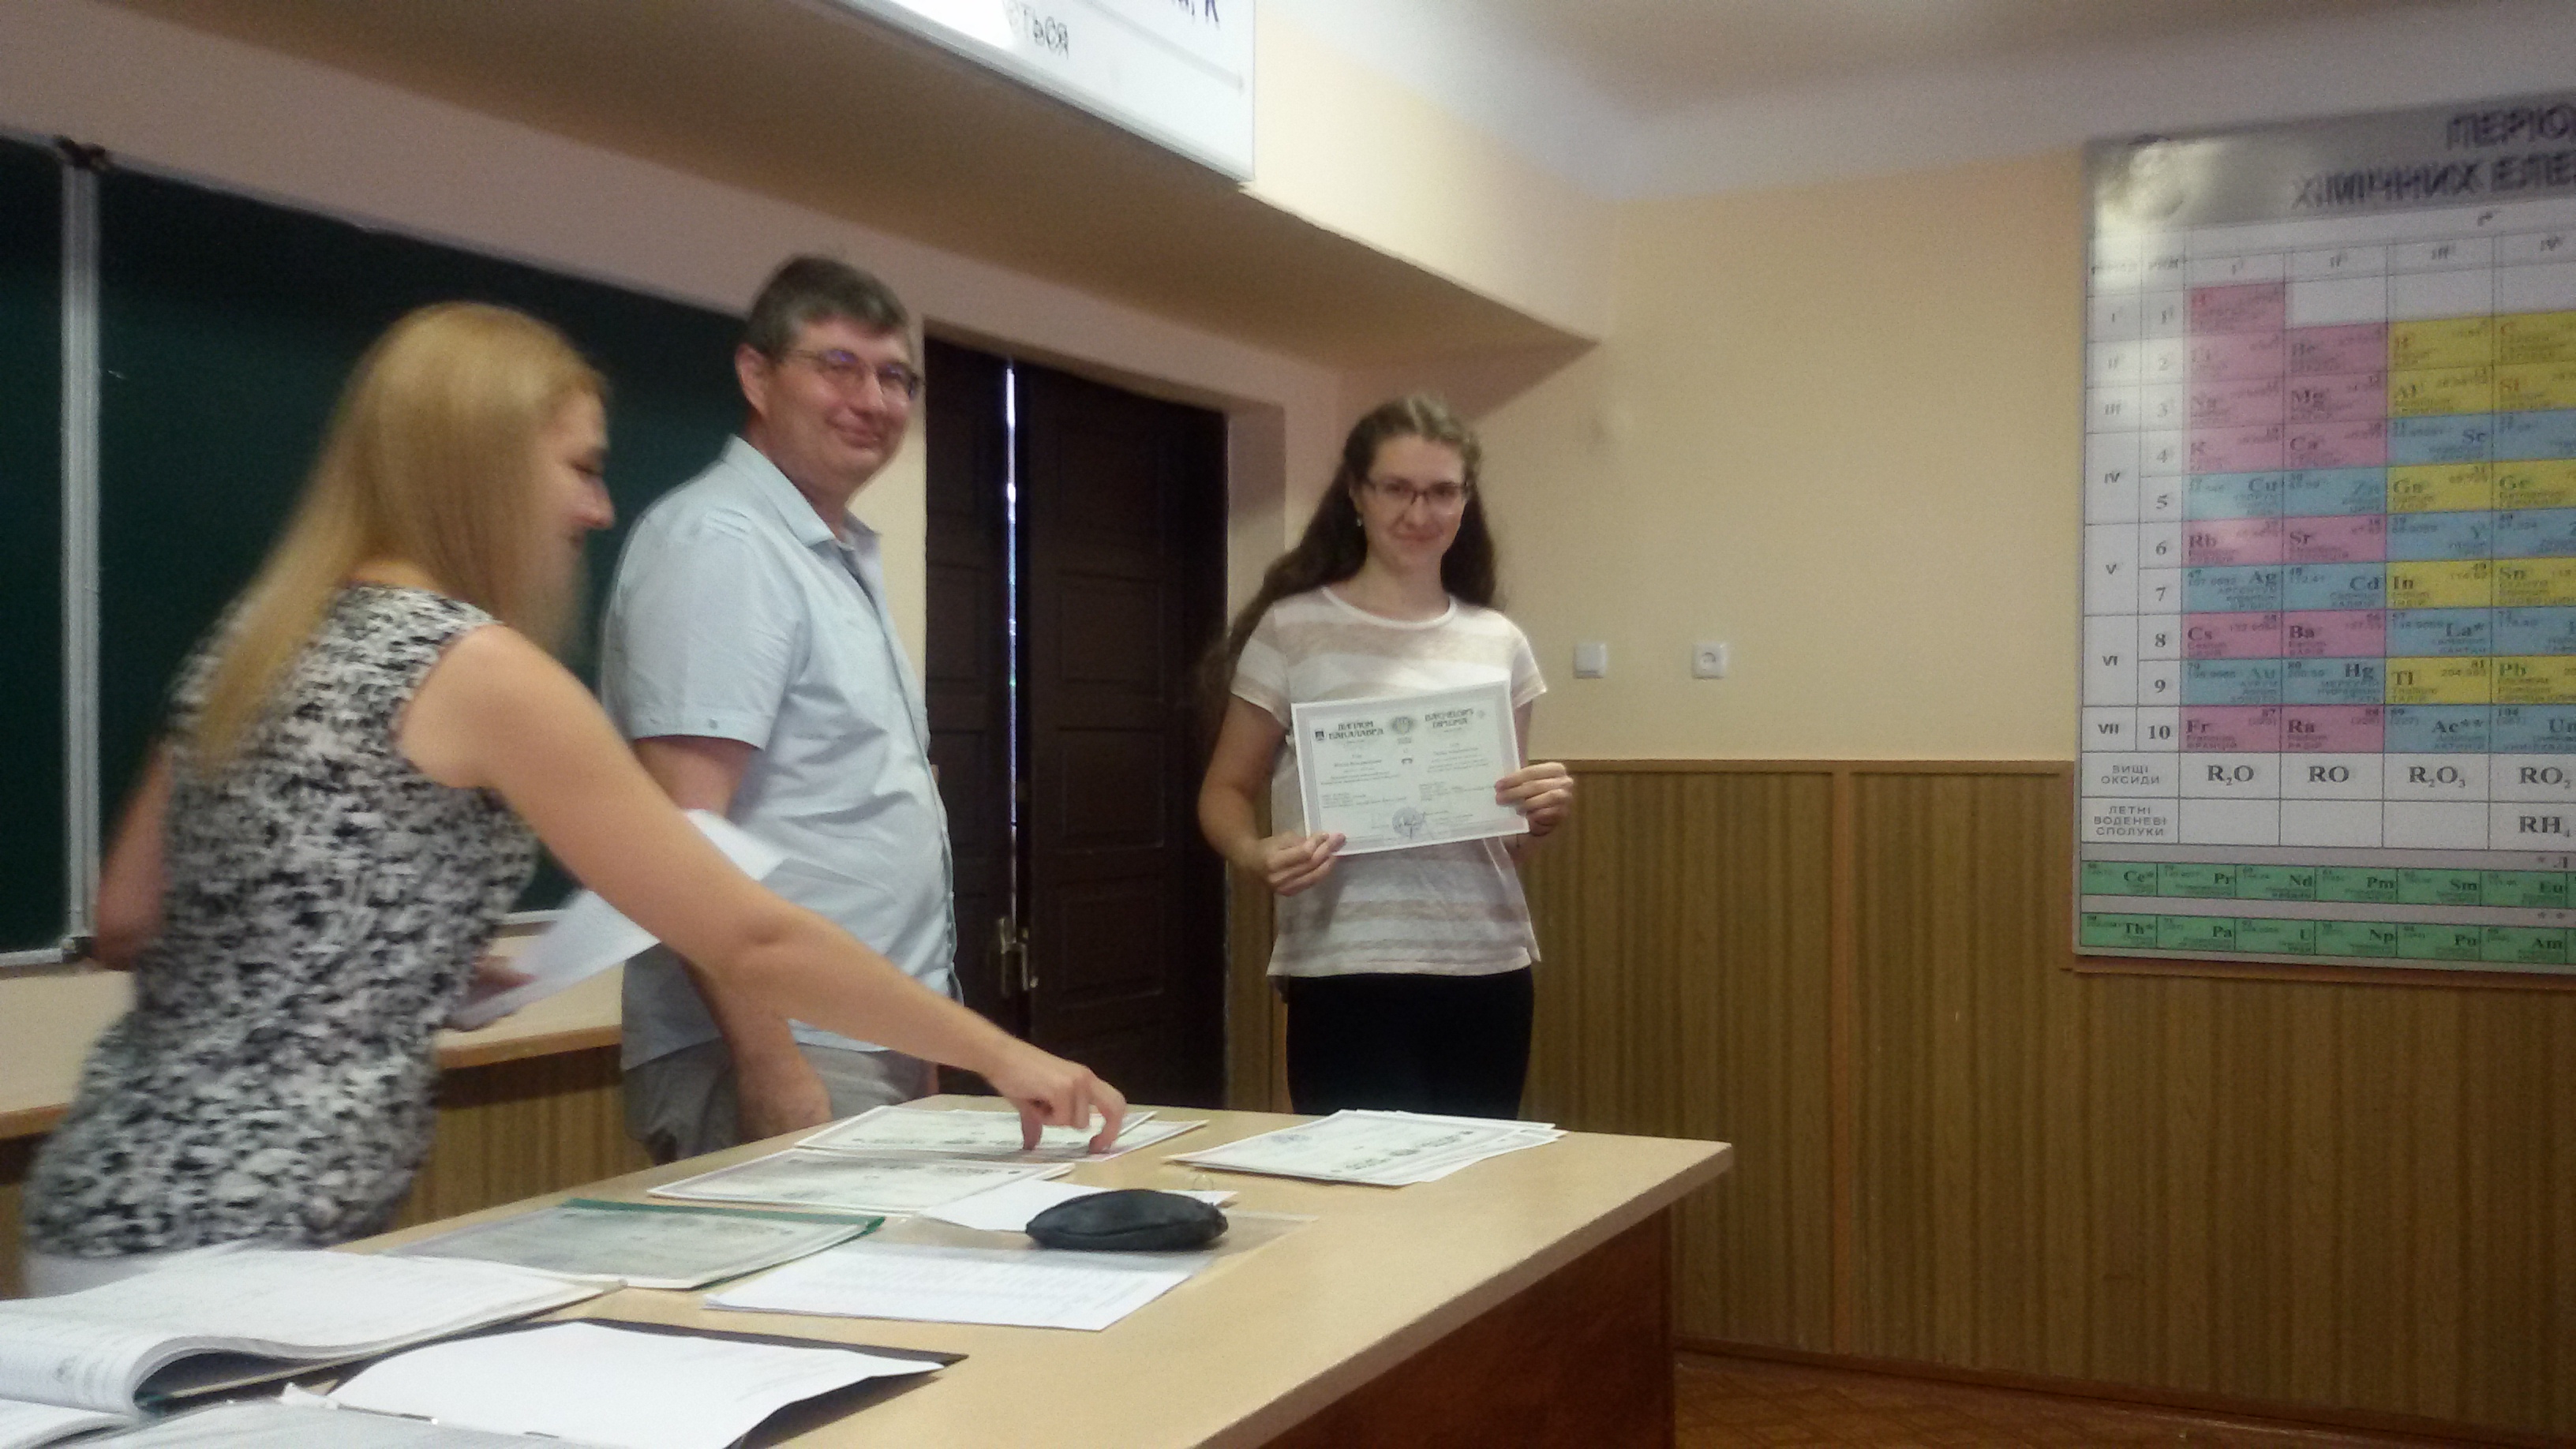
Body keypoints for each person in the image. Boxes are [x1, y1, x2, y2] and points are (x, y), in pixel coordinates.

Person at [20, 302, 1121, 1295]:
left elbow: (129, 918)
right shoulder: (475, 668)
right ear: (482, 471)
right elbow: (749, 935)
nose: (597, 510)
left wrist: (391, 953)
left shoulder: (253, 637)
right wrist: (1003, 1053)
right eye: (582, 469)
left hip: (99, 1204)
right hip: (241, 1241)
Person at [599, 257, 960, 1163]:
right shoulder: (724, 544)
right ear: (757, 376)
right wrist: (772, 1065)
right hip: (780, 1047)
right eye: (838, 366)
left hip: (863, 1040)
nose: (872, 400)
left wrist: (922, 1039)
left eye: (895, 377)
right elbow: (684, 837)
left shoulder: (828, 552)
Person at [1196, 395, 1574, 1121]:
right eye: (1396, 488)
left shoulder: (1499, 642)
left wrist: (1541, 815)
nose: (1418, 512)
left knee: (1479, 1183)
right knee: (1363, 1184)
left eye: (1442, 491)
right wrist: (1253, 853)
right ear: (1356, 493)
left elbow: (1508, 837)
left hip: (1486, 963)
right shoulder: (1293, 629)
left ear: (1465, 500)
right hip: (1344, 964)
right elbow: (1225, 789)